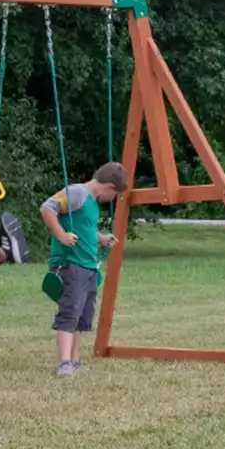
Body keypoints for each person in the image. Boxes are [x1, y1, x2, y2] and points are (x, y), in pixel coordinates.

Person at [39, 161, 128, 375]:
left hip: (88, 266)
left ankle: (74, 361)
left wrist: (101, 238)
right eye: (115, 195)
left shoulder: (91, 202)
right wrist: (61, 235)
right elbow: (47, 208)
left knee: (81, 316)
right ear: (109, 187)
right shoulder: (77, 193)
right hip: (71, 263)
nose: (112, 199)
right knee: (70, 312)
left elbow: (83, 227)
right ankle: (64, 363)